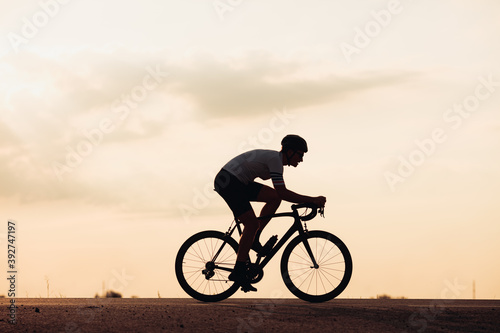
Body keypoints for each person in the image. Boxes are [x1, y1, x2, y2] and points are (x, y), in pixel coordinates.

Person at [213, 134, 326, 292]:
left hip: (239, 181)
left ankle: (254, 237)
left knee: (274, 198)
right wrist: (312, 199)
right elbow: (283, 192)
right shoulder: (275, 160)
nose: (301, 159)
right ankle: (238, 271)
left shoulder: (276, 161)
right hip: (229, 182)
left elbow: (279, 194)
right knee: (251, 223)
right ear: (290, 151)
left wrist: (308, 200)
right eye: (300, 155)